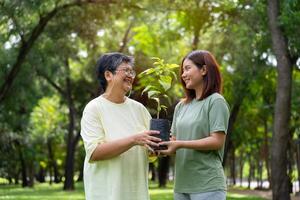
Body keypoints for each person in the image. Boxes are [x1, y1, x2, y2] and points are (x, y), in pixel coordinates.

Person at [80, 52, 161, 200]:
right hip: (106, 194)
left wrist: (157, 148)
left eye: (132, 71)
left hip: (137, 194)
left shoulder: (139, 109)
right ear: (108, 75)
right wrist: (134, 140)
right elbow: (94, 152)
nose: (131, 75)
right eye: (126, 70)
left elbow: (150, 152)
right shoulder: (94, 108)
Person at [159, 50, 230, 200]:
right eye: (182, 70)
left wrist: (180, 144)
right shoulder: (181, 106)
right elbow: (174, 141)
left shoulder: (215, 101)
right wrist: (158, 147)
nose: (183, 75)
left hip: (208, 185)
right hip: (181, 186)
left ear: (204, 70)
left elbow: (217, 141)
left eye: (187, 68)